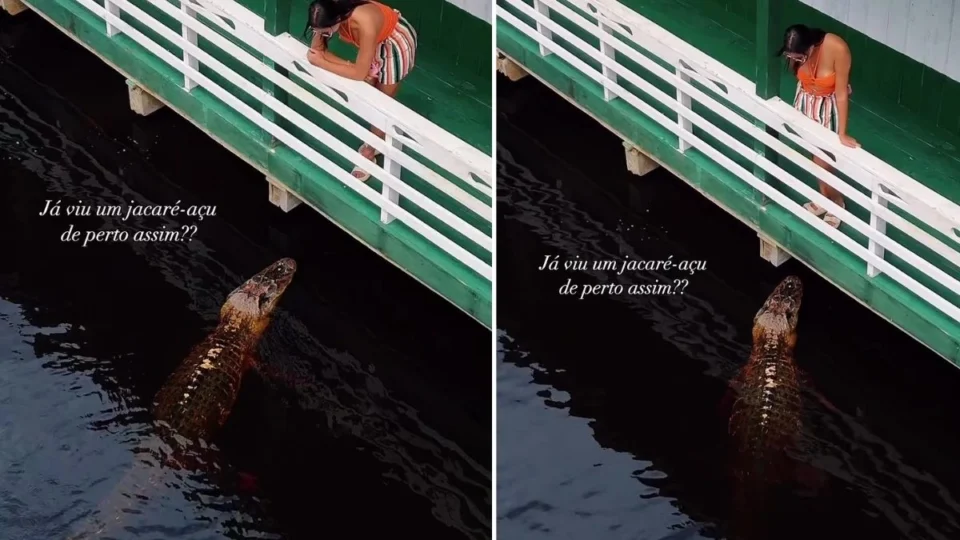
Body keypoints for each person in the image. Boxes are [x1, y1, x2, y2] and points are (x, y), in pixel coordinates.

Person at [304, 0, 418, 182]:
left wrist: (324, 63)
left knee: (381, 101)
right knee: (369, 88)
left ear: (338, 18)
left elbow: (354, 72)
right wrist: (348, 66)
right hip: (375, 39)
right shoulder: (326, 12)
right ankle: (378, 136)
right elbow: (317, 51)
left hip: (394, 42)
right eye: (316, 31)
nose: (321, 35)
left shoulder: (364, 23)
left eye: (324, 32)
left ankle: (369, 151)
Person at [777, 24, 858, 229]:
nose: (795, 61)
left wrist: (842, 132)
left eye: (799, 57)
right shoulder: (797, 54)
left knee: (823, 161)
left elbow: (841, 93)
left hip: (828, 105)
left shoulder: (836, 48)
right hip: (805, 101)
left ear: (810, 47)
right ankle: (824, 198)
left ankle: (837, 202)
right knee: (814, 157)